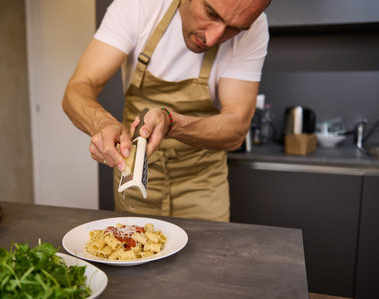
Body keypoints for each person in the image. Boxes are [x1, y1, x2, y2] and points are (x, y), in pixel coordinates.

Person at [62, 0, 271, 222]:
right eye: (211, 13)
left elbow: (236, 128)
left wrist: (172, 123)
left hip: (203, 182)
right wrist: (100, 123)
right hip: (134, 174)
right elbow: (78, 88)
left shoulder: (254, 26)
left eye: (235, 29)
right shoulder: (139, 5)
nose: (213, 38)